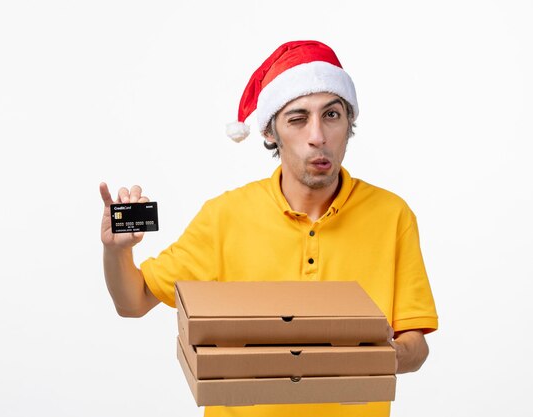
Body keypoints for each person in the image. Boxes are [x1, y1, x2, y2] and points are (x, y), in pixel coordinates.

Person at [99, 40, 438, 417]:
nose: (318, 136)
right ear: (270, 132)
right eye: (297, 119)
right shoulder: (224, 216)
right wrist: (118, 251)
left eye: (331, 115)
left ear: (349, 122)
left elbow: (415, 344)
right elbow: (133, 302)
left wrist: (382, 357)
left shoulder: (392, 215)